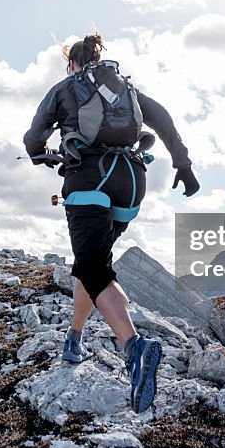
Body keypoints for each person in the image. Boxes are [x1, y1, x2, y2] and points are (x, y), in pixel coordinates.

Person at [24, 33, 199, 414]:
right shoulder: (127, 90)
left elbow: (33, 137)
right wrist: (182, 164)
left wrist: (41, 155)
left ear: (72, 62)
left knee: (91, 265)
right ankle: (74, 338)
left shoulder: (67, 87)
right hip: (132, 180)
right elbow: (164, 120)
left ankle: (133, 348)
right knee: (95, 263)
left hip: (89, 176)